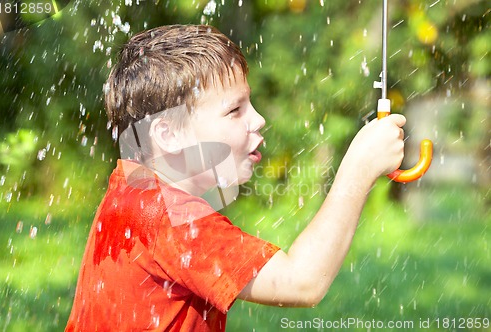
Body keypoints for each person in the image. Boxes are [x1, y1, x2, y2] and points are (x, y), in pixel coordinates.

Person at [65, 24, 406, 331]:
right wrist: (358, 169)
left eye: (250, 103)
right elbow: (302, 282)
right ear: (168, 135)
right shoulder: (172, 219)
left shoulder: (130, 187)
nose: (258, 119)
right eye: (234, 110)